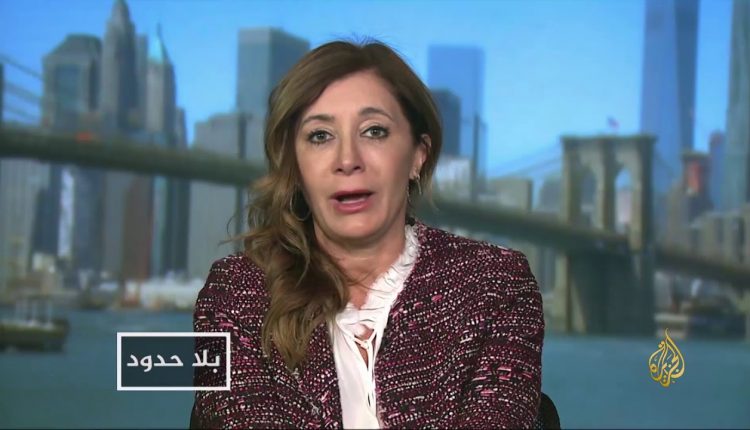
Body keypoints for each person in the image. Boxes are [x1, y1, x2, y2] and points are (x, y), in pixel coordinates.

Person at [190, 39, 545, 429]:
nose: (347, 160)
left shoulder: (495, 284)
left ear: (418, 155)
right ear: (296, 166)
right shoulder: (235, 295)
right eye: (320, 136)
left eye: (374, 131)